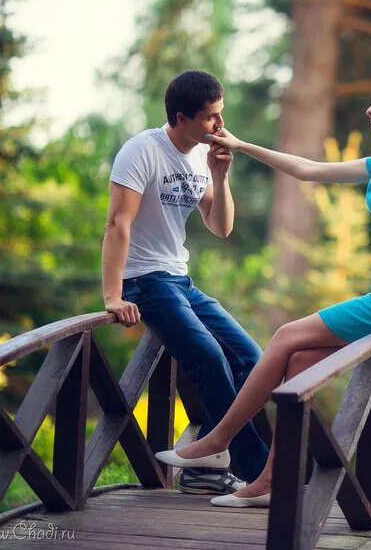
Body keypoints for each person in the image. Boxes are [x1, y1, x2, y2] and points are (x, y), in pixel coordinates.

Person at [155, 74, 371, 508]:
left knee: (287, 334)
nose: (370, 107)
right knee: (301, 361)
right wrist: (242, 145)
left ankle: (218, 439)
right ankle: (272, 482)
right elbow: (307, 170)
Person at [102, 70, 270, 495]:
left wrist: (220, 175)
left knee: (253, 359)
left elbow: (221, 227)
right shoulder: (142, 151)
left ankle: (205, 465)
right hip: (146, 282)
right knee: (210, 359)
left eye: (221, 115)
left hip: (181, 279)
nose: (220, 126)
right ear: (182, 117)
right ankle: (260, 474)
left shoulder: (200, 154)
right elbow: (117, 224)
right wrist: (113, 295)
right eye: (212, 118)